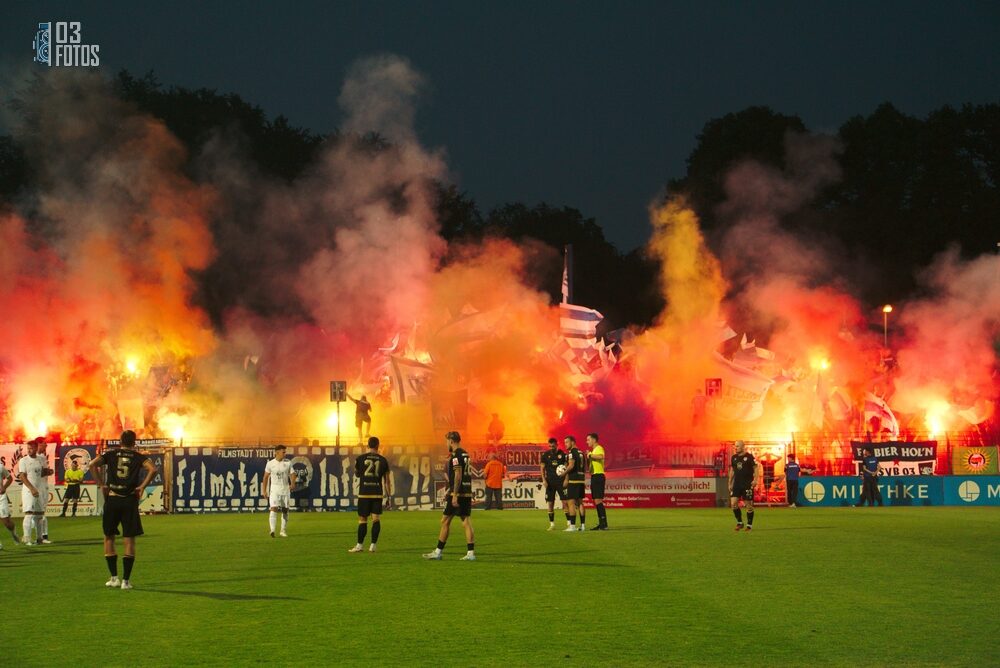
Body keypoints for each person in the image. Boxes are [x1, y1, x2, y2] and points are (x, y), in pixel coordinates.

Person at [89, 430, 158, 590]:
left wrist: (101, 485)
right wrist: (141, 487)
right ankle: (126, 581)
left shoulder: (111, 454)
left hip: (112, 498)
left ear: (120, 441)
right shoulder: (139, 457)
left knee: (109, 537)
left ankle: (114, 578)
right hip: (129, 500)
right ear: (134, 442)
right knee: (129, 539)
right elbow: (153, 469)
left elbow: (92, 465)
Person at [423, 431, 475, 561]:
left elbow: (458, 475)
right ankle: (469, 553)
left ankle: (439, 552)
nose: (446, 443)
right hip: (466, 492)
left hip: (457, 493)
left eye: (447, 441)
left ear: (452, 441)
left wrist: (455, 494)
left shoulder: (456, 455)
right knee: (463, 521)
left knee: (447, 521)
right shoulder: (465, 454)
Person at [349, 437, 392, 553]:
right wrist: (389, 497)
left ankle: (359, 545)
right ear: (378, 445)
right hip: (377, 493)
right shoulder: (383, 460)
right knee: (376, 519)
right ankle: (373, 545)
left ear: (367, 445)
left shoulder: (360, 459)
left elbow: (357, 474)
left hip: (364, 493)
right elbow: (387, 481)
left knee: (362, 520)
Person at [18, 439, 50, 545]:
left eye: (31, 448)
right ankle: (27, 538)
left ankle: (39, 538)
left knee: (40, 514)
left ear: (36, 448)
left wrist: (48, 471)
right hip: (29, 490)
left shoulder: (41, 459)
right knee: (29, 513)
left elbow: (41, 473)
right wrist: (31, 488)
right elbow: (22, 476)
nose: (29, 450)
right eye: (28, 448)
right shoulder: (23, 461)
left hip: (39, 488)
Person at [263, 445, 297, 537]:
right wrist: (264, 491)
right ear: (277, 452)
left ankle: (282, 530)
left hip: (285, 489)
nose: (285, 454)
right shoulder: (270, 464)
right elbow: (265, 477)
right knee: (274, 508)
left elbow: (293, 474)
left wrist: (293, 483)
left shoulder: (288, 462)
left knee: (285, 510)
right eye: (283, 452)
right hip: (274, 489)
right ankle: (272, 530)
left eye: (285, 452)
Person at [540, 438, 570, 530]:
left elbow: (566, 468)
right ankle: (552, 524)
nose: (551, 448)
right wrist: (544, 480)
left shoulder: (562, 454)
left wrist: (566, 479)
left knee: (565, 502)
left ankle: (569, 523)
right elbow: (542, 468)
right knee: (550, 503)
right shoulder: (545, 455)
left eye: (553, 446)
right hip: (550, 482)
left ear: (557, 444)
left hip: (561, 481)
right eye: (550, 446)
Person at [729, 440, 758, 532]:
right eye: (735, 446)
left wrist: (755, 480)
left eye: (737, 446)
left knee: (748, 505)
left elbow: (756, 468)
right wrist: (730, 482)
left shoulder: (749, 457)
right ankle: (740, 523)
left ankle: (749, 525)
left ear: (742, 447)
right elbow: (732, 470)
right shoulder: (734, 457)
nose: (735, 448)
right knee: (733, 503)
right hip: (737, 484)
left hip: (747, 484)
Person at [562, 436, 586, 532]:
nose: (565, 444)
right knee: (580, 503)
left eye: (567, 442)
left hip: (573, 480)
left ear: (572, 442)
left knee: (571, 502)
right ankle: (583, 526)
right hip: (581, 479)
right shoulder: (581, 453)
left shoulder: (571, 453)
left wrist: (563, 473)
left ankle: (572, 526)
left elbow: (571, 466)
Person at [586, 433, 608, 530]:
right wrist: (588, 458)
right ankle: (601, 523)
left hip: (599, 476)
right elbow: (590, 468)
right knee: (596, 500)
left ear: (594, 440)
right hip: (594, 476)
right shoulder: (593, 451)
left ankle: (604, 524)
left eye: (588, 439)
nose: (587, 442)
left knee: (598, 500)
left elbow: (601, 456)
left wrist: (590, 455)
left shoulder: (599, 448)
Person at [0, 462, 20, 548]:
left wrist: (4, 487)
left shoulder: (0, 467)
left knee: (7, 522)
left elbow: (10, 478)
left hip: (1, 497)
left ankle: (13, 532)